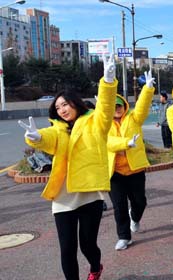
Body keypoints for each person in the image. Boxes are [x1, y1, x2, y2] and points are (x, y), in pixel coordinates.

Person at [19, 54, 117, 280]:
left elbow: (105, 108)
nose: (62, 109)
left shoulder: (95, 123)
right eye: (58, 107)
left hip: (89, 194)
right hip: (63, 197)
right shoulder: (58, 130)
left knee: (87, 245)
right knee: (67, 249)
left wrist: (108, 81)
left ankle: (95, 267)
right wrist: (35, 137)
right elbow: (48, 137)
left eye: (65, 104)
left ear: (75, 102)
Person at [106, 70, 156, 251]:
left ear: (124, 106)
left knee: (140, 202)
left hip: (135, 170)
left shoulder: (134, 118)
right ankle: (124, 236)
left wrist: (148, 89)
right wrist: (126, 143)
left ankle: (135, 218)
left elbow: (142, 106)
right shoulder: (103, 124)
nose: (116, 109)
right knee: (119, 206)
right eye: (113, 106)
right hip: (114, 172)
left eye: (119, 106)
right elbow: (107, 143)